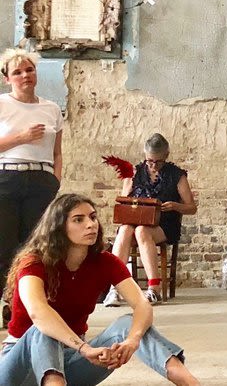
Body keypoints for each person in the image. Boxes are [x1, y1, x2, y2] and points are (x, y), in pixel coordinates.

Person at [0, 194, 198, 385]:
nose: (90, 224)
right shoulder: (34, 262)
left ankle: (190, 383)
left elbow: (142, 304)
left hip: (71, 359)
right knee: (43, 331)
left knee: (128, 323)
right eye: (78, 220)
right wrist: (84, 348)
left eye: (93, 217)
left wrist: (132, 340)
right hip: (21, 367)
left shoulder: (105, 262)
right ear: (58, 227)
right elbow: (38, 312)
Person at [103, 134, 196, 307]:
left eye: (158, 162)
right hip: (134, 222)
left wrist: (175, 206)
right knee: (125, 230)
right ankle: (114, 288)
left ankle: (154, 289)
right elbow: (123, 201)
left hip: (164, 224)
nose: (153, 166)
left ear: (166, 156)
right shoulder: (134, 173)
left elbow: (191, 207)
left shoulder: (176, 175)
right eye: (149, 161)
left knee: (142, 231)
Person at [0, 48, 63, 296]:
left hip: (41, 179)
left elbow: (57, 151)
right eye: (17, 72)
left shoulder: (52, 108)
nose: (25, 75)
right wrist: (21, 137)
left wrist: (55, 180)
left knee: (36, 245)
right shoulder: (2, 104)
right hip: (6, 176)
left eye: (29, 69)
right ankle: (6, 299)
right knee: (4, 244)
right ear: (7, 79)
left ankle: (26, 302)